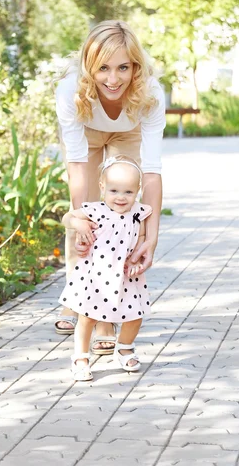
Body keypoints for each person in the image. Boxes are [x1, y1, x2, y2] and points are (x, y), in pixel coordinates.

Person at [55, 20, 165, 355]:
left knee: (122, 211)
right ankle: (77, 300)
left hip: (127, 132)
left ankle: (106, 317)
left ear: (136, 66)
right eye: (103, 68)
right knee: (89, 219)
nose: (113, 79)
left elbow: (151, 170)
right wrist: (78, 216)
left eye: (123, 68)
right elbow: (76, 163)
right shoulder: (70, 91)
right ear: (89, 66)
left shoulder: (150, 94)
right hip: (85, 133)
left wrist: (152, 234)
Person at [59, 155, 153, 381]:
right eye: (114, 191)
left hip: (126, 276)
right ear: (102, 187)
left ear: (137, 191)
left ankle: (124, 348)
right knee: (87, 317)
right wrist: (78, 223)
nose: (121, 198)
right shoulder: (95, 210)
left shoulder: (138, 212)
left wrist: (137, 260)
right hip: (96, 276)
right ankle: (81, 357)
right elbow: (67, 217)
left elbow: (141, 237)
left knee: (134, 316)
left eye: (128, 192)